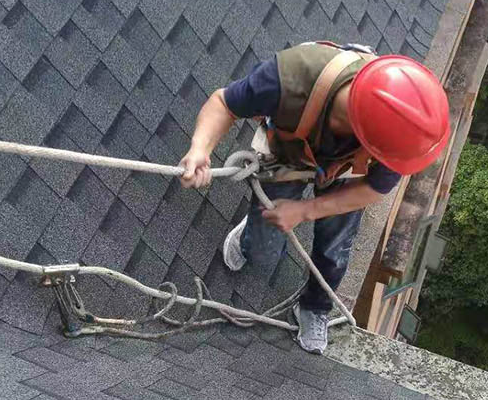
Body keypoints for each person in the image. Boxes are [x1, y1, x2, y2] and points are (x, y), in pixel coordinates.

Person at [179, 41, 450, 355]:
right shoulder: (290, 78)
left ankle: (314, 307)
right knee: (261, 252)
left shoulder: (398, 135)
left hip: (347, 170)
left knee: (334, 252)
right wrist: (200, 149)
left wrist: (306, 210)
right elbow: (224, 103)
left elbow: (375, 188)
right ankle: (249, 235)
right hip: (290, 151)